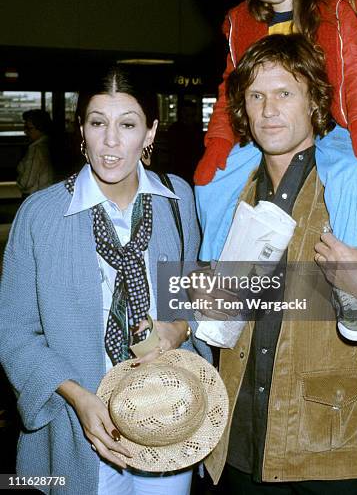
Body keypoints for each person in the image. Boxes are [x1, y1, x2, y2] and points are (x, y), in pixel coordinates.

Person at [198, 33, 357, 494]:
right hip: (237, 443)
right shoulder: (228, 193)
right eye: (256, 95)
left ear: (314, 100)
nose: (268, 109)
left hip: (331, 448)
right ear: (242, 108)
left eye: (284, 93)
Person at [0, 68, 212, 495]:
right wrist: (78, 397)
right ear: (82, 129)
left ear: (150, 132)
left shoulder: (179, 200)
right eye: (98, 123)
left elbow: (192, 291)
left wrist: (180, 326)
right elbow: (14, 333)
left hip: (165, 415)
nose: (111, 141)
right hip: (78, 428)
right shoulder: (41, 215)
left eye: (128, 124)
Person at [193, 0, 357, 341]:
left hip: (332, 121)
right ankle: (218, 268)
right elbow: (230, 89)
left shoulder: (333, 6)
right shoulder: (242, 22)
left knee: (356, 173)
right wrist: (218, 142)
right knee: (210, 180)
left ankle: (351, 283)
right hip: (266, 128)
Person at [16, 108, 55, 198]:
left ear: (40, 128)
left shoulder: (36, 149)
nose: (25, 131)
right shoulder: (49, 145)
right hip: (46, 195)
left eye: (29, 128)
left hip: (34, 196)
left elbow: (26, 182)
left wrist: (19, 180)